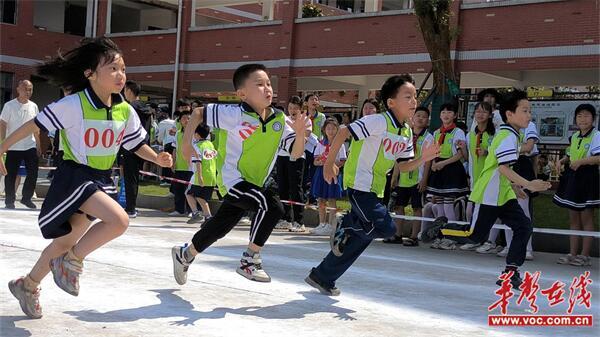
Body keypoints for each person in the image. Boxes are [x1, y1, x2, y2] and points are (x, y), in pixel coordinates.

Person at [0, 37, 172, 319]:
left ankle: (27, 285)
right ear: (89, 73)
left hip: (99, 178)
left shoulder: (124, 110)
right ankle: (71, 262)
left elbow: (134, 142)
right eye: (113, 68)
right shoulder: (73, 104)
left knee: (65, 241)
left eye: (123, 69)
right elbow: (35, 124)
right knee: (119, 220)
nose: (121, 75)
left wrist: (155, 158)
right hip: (75, 176)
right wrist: (3, 147)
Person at [170, 63, 307, 285]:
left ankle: (184, 254)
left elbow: (296, 153)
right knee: (273, 207)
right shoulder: (233, 114)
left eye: (269, 84)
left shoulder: (279, 119)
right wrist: (186, 144)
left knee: (219, 228)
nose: (267, 89)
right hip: (233, 181)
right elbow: (197, 113)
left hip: (257, 182)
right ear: (242, 94)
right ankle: (249, 261)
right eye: (260, 84)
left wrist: (300, 134)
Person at [305, 75, 440, 296]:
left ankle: (323, 275)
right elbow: (343, 131)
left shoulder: (405, 132)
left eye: (415, 97)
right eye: (408, 96)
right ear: (391, 102)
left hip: (375, 189)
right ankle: (346, 225)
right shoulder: (377, 121)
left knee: (363, 238)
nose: (414, 101)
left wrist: (424, 159)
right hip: (359, 184)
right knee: (386, 228)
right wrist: (329, 163)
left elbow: (404, 166)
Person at [442, 89, 551, 289]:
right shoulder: (507, 136)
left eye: (530, 111)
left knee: (523, 226)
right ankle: (441, 229)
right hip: (491, 193)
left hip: (503, 193)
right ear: (510, 114)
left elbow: (504, 167)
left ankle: (511, 272)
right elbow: (501, 167)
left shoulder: (511, 134)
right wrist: (528, 184)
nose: (529, 115)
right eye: (525, 110)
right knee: (474, 236)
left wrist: (515, 186)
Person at [553, 104, 599, 267]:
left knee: (586, 217)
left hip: (588, 178)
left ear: (593, 119)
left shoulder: (597, 136)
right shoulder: (574, 137)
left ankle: (585, 255)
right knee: (573, 217)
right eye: (579, 116)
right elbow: (570, 154)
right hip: (573, 178)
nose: (583, 119)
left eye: (586, 116)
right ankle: (572, 253)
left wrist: (581, 162)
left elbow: (598, 157)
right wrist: (561, 161)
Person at [386, 106, 434, 246]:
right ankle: (397, 234)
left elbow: (428, 161)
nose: (420, 118)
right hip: (403, 177)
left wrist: (424, 179)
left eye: (424, 116)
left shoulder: (428, 137)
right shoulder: (405, 134)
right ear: (412, 118)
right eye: (418, 115)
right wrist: (395, 176)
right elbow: (398, 157)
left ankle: (414, 236)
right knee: (398, 206)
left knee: (417, 208)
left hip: (417, 178)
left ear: (427, 120)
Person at [426, 103, 469, 249]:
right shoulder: (436, 133)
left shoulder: (458, 132)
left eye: (449, 112)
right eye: (443, 112)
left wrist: (443, 164)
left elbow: (459, 155)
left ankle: (451, 236)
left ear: (455, 115)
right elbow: (433, 151)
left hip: (451, 169)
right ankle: (441, 234)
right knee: (439, 204)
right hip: (438, 169)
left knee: (449, 203)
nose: (446, 115)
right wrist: (433, 163)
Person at [458, 102, 496, 251]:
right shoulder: (470, 135)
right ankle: (476, 237)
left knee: (490, 210)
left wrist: (487, 153)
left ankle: (487, 241)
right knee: (472, 209)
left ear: (490, 115)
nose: (480, 114)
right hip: (475, 178)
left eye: (484, 112)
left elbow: (498, 156)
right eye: (478, 111)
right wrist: (462, 148)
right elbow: (469, 158)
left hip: (491, 178)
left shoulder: (495, 134)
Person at [0, 79, 40, 209]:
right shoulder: (9, 105)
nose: (28, 92)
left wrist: (38, 144)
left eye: (30, 89)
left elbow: (36, 127)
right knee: (10, 174)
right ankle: (9, 201)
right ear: (18, 89)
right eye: (25, 89)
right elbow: (3, 124)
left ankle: (26, 198)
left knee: (33, 173)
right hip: (13, 146)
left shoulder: (34, 106)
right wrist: (3, 144)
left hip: (30, 145)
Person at [275, 96, 311, 232]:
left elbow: (304, 140)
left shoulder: (306, 122)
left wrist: (297, 132)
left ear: (301, 109)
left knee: (296, 188)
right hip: (282, 156)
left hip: (297, 157)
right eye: (290, 108)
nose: (292, 110)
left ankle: (299, 221)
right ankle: (286, 219)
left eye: (295, 108)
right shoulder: (285, 120)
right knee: (283, 187)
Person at [310, 118, 347, 236]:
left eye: (333, 129)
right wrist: (321, 161)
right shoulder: (320, 144)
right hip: (321, 173)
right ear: (324, 130)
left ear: (337, 130)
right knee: (321, 199)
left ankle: (331, 225)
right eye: (328, 128)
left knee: (332, 199)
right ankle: (322, 224)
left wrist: (332, 164)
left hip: (333, 173)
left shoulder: (340, 145)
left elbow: (342, 161)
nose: (330, 131)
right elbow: (315, 161)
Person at [120, 80, 149, 218]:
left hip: (130, 145)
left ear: (129, 91)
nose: (124, 93)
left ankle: (130, 208)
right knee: (135, 177)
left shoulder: (129, 107)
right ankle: (132, 206)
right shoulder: (146, 108)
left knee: (129, 177)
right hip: (143, 145)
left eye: (125, 90)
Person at [186, 124, 216, 225]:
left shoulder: (197, 146)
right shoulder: (210, 145)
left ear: (198, 134)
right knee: (201, 197)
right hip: (211, 175)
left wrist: (200, 177)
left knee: (188, 193)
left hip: (201, 175)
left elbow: (198, 161)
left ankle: (195, 213)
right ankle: (208, 217)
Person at [170, 110, 193, 216]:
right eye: (184, 118)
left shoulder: (194, 133)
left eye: (189, 118)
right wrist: (173, 162)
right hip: (179, 166)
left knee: (190, 190)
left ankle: (191, 210)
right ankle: (179, 210)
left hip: (191, 167)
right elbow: (175, 148)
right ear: (180, 120)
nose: (186, 120)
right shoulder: (178, 133)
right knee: (178, 189)